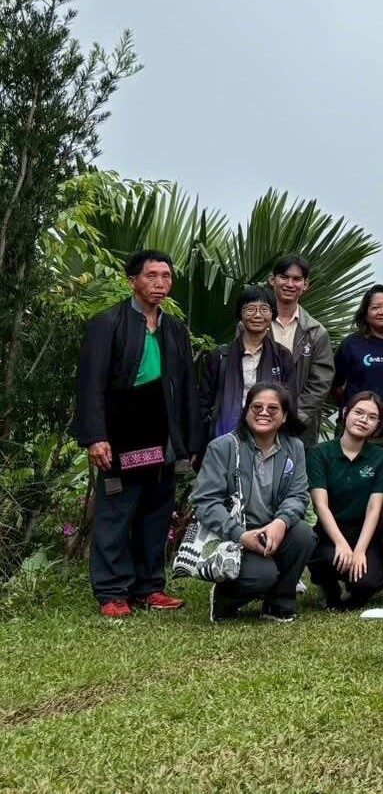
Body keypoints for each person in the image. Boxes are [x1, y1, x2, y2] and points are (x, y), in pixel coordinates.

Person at [75, 249, 198, 618]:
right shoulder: (108, 322)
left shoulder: (175, 328)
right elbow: (91, 384)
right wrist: (96, 436)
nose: (160, 283)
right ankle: (112, 591)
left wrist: (190, 442)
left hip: (164, 438)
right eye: (151, 276)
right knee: (117, 512)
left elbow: (188, 387)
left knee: (157, 512)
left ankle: (149, 587)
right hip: (122, 436)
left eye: (166, 276)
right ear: (133, 281)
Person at [191, 382, 314, 622]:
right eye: (256, 406)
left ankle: (279, 602)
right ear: (247, 411)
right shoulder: (223, 447)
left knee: (304, 534)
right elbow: (206, 501)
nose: (264, 412)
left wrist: (280, 522)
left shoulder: (294, 447)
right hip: (234, 536)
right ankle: (225, 599)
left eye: (273, 408)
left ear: (285, 416)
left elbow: (298, 495)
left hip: (272, 531)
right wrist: (239, 534)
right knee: (261, 576)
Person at [307, 391, 383, 610]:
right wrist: (342, 545)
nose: (364, 420)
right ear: (346, 413)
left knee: (367, 582)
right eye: (359, 412)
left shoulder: (381, 458)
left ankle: (354, 590)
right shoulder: (320, 453)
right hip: (331, 531)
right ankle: (328, 587)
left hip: (364, 532)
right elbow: (320, 505)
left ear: (377, 425)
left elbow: (375, 508)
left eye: (372, 417)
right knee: (327, 560)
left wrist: (360, 550)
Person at [199, 285, 296, 452]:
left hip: (269, 439)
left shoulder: (283, 356)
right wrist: (198, 444)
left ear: (272, 313)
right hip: (224, 438)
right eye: (250, 309)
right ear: (240, 314)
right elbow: (203, 402)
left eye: (264, 309)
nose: (257, 315)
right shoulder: (221, 356)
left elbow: (290, 401)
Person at [266, 254, 334, 446]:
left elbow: (321, 382)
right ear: (273, 280)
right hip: (257, 420)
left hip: (299, 429)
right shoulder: (251, 324)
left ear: (305, 285)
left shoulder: (317, 332)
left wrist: (296, 417)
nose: (290, 284)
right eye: (284, 277)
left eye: (297, 279)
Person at [333, 285, 383, 442]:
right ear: (366, 314)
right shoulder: (351, 344)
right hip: (354, 431)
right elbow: (335, 385)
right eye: (375, 307)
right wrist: (353, 407)